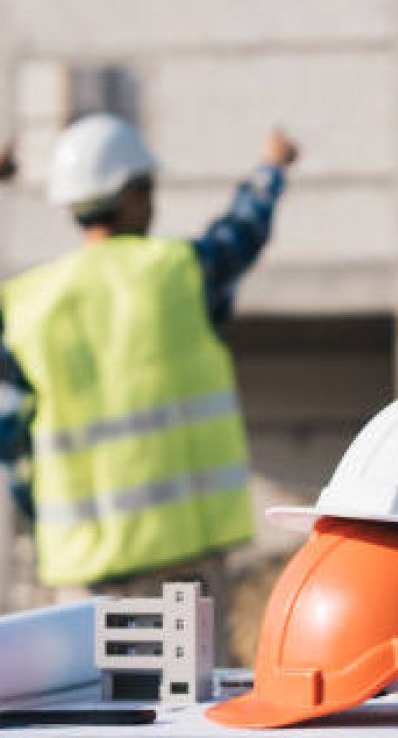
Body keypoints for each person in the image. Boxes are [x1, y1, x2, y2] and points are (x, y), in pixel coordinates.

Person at [0, 114, 297, 659]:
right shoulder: (178, 273)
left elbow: (11, 435)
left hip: (82, 577)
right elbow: (241, 234)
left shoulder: (27, 305)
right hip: (184, 571)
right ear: (134, 195)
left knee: (93, 714)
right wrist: (270, 171)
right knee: (188, 712)